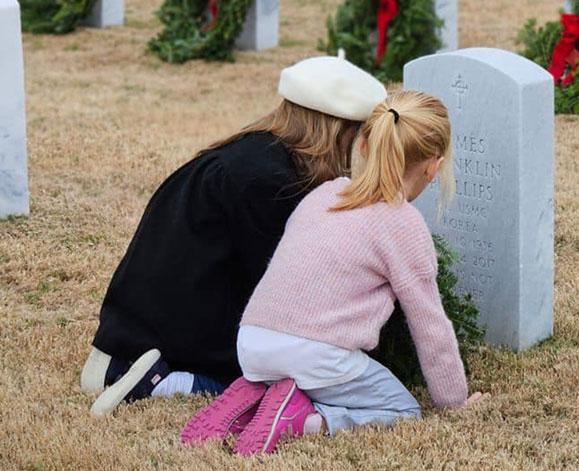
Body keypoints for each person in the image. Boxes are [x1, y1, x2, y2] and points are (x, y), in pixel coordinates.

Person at [179, 90, 485, 455]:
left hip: (252, 342)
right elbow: (430, 326)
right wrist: (455, 401)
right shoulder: (403, 223)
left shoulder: (325, 194)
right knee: (401, 409)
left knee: (306, 369)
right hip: (315, 354)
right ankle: (305, 420)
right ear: (433, 167)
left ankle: (256, 398)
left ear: (366, 145)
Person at [83, 56, 387, 416]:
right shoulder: (271, 183)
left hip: (141, 322)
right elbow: (288, 295)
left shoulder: (258, 154)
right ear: (339, 132)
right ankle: (163, 381)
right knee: (278, 377)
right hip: (163, 340)